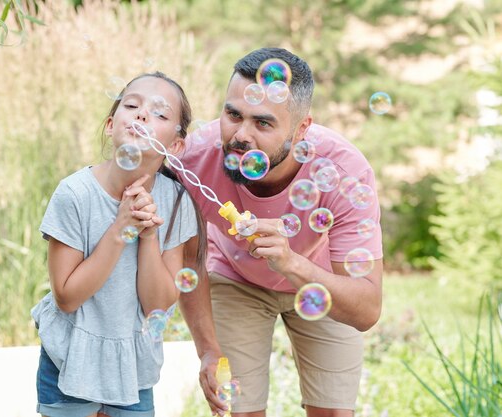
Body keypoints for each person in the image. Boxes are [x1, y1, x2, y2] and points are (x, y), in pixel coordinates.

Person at [177, 47, 384, 417]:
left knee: (334, 412)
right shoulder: (193, 160)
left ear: (302, 128)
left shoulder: (343, 171)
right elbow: (188, 259)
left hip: (320, 280)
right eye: (233, 114)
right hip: (234, 275)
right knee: (239, 411)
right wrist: (208, 350)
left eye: (263, 123)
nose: (240, 135)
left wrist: (291, 263)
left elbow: (367, 309)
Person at [31, 71, 205, 417]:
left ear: (175, 145)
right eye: (132, 105)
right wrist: (121, 228)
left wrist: (148, 235)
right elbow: (67, 297)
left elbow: (157, 304)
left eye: (160, 113)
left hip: (133, 369)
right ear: (111, 125)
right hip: (70, 358)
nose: (142, 115)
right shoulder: (76, 193)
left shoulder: (176, 202)